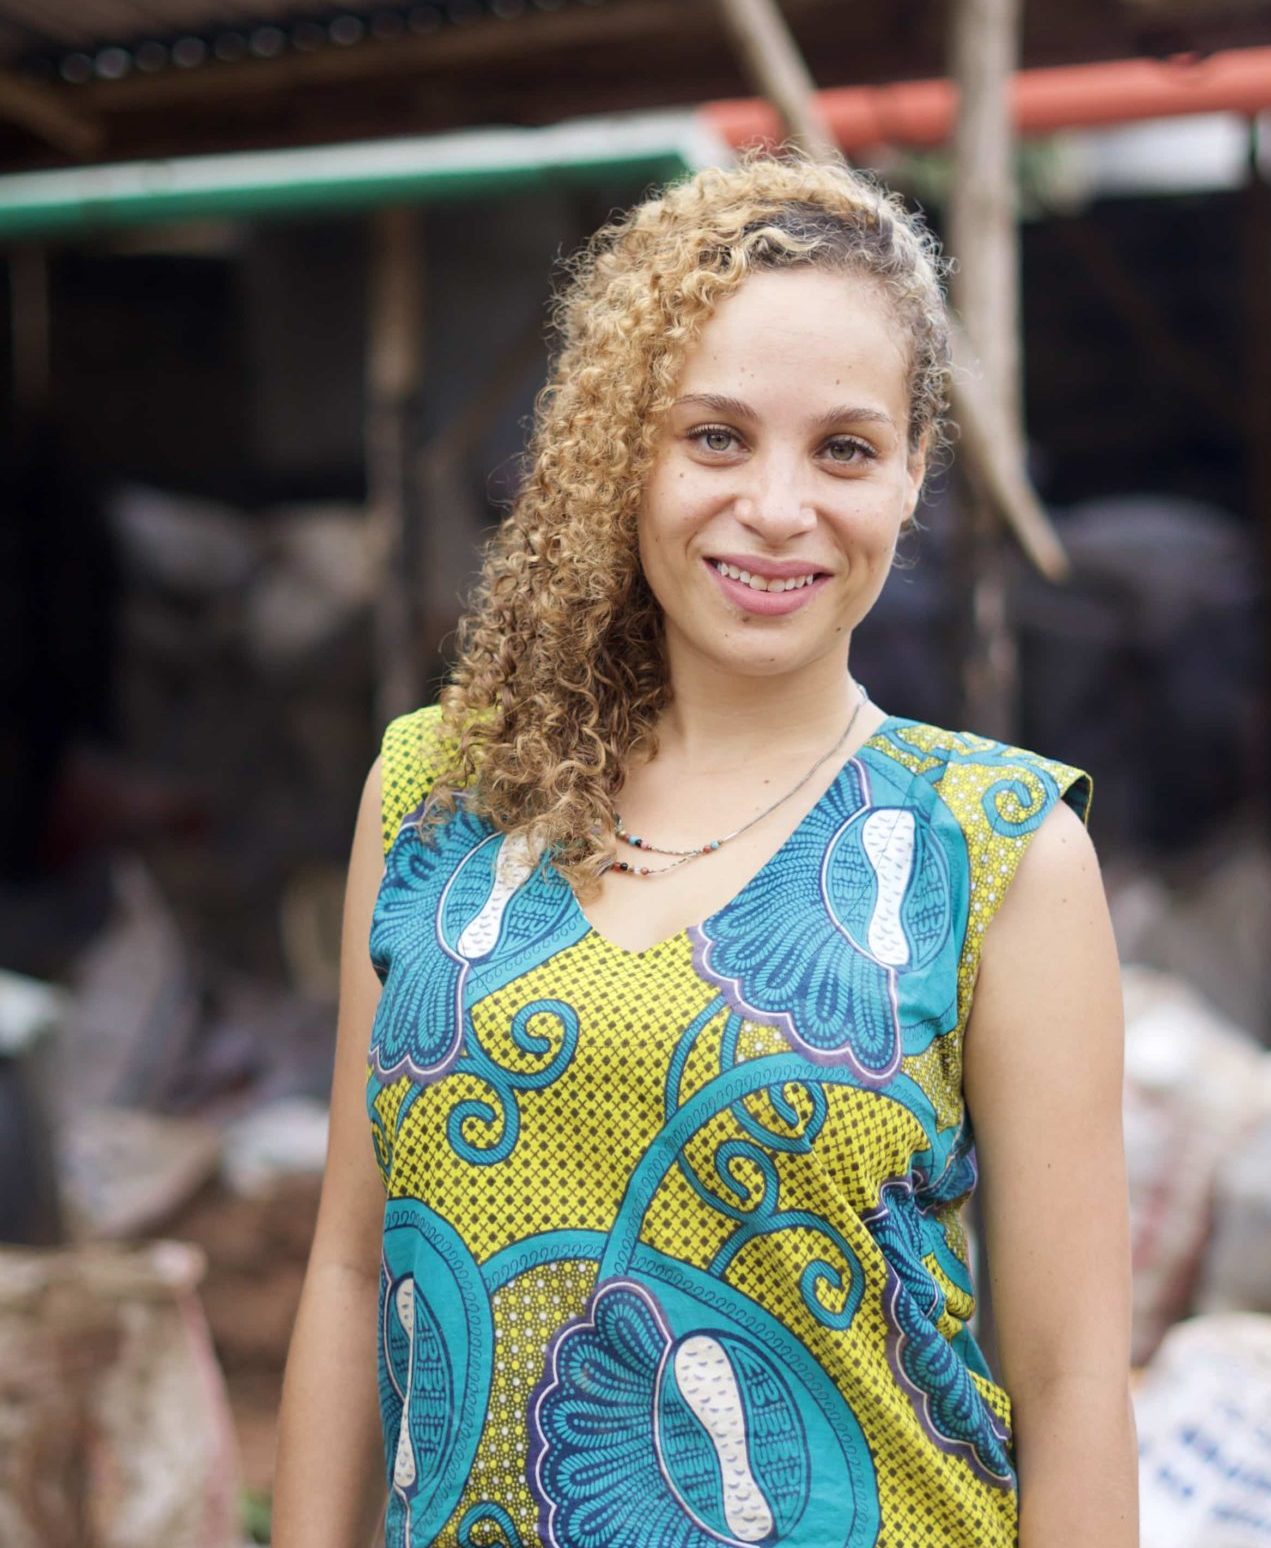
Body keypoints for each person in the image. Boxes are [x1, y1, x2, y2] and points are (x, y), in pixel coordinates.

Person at [274, 153, 1136, 1548]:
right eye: (716, 437)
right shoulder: (435, 792)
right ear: (626, 450)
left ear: (914, 476)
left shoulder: (995, 853)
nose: (779, 509)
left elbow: (1075, 1379)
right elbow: (346, 1270)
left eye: (844, 449)